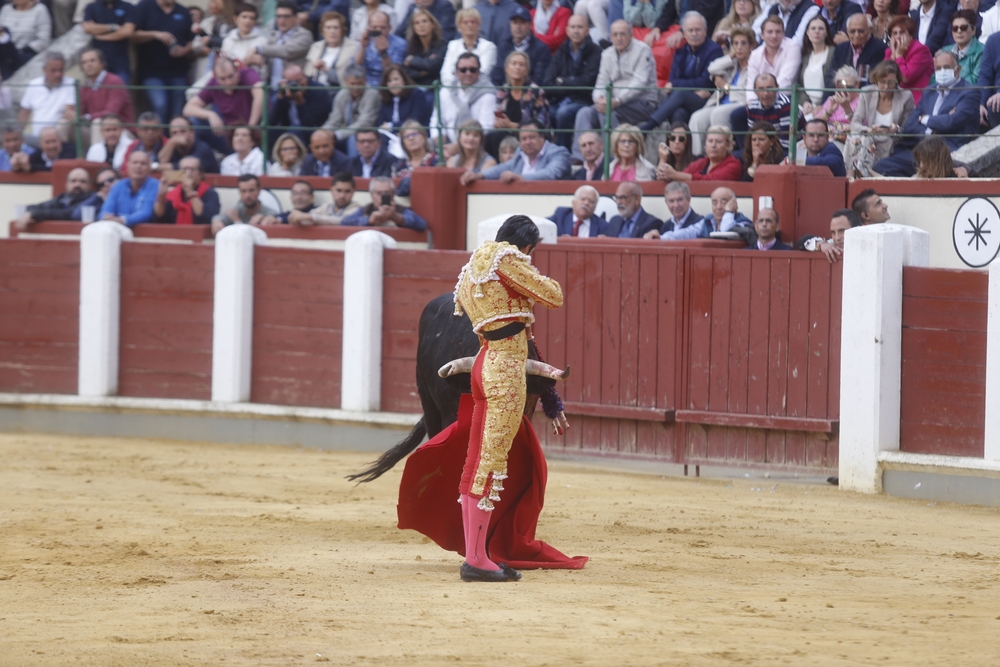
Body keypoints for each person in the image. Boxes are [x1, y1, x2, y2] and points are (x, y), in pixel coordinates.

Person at [440, 214, 565, 582]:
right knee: (490, 462)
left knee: (476, 461)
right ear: (526, 246)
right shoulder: (508, 260)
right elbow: (554, 295)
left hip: (481, 364)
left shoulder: (470, 269)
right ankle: (476, 560)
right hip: (505, 369)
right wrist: (528, 274)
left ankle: (476, 554)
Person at [875, 50, 978, 176]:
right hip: (920, 148)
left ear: (958, 69)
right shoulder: (929, 91)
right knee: (882, 167)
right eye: (938, 68)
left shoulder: (969, 92)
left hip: (945, 151)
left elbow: (952, 122)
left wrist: (924, 119)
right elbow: (910, 125)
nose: (942, 71)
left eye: (947, 67)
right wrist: (932, 129)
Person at [572, 19, 658, 158]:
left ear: (631, 35)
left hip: (642, 103)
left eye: (623, 34)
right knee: (584, 112)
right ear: (610, 37)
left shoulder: (643, 50)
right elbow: (600, 83)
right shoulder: (607, 54)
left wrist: (616, 101)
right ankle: (580, 158)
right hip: (612, 103)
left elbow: (639, 83)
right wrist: (599, 99)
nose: (619, 38)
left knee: (606, 112)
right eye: (615, 34)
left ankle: (611, 158)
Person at [640, 12, 723, 130]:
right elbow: (673, 79)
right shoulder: (681, 51)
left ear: (705, 31)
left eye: (698, 30)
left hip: (707, 100)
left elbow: (705, 82)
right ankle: (679, 146)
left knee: (679, 93)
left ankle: (648, 126)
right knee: (679, 112)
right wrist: (690, 91)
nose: (694, 34)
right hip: (688, 99)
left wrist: (676, 85)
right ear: (684, 33)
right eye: (690, 30)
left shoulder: (714, 50)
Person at [690, 26, 756, 155]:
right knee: (696, 118)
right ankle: (697, 158)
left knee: (718, 113)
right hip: (720, 103)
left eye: (743, 43)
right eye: (735, 43)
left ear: (751, 46)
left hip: (740, 104)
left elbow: (747, 93)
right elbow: (712, 68)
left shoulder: (755, 64)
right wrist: (731, 56)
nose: (739, 47)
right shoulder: (732, 63)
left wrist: (726, 87)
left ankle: (722, 156)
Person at [847, 59, 915, 177]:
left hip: (892, 140)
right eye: (882, 82)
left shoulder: (906, 96)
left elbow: (907, 129)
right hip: (869, 138)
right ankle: (852, 176)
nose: (886, 86)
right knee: (858, 138)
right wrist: (869, 130)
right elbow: (855, 123)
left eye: (891, 82)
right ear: (876, 80)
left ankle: (861, 176)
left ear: (897, 81)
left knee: (864, 141)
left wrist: (896, 129)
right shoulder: (867, 92)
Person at [183, 57, 264, 154]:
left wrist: (251, 128)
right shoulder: (213, 84)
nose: (228, 82)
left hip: (257, 133)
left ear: (237, 71)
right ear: (216, 77)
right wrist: (210, 115)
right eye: (222, 79)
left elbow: (260, 93)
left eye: (231, 76)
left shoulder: (247, 74)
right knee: (195, 123)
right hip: (231, 136)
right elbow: (188, 108)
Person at [132, 0, 195, 123]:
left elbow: (192, 40)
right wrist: (155, 35)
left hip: (179, 72)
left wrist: (184, 50)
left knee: (177, 112)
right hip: (151, 72)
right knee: (160, 105)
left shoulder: (183, 11)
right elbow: (132, 35)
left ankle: (176, 140)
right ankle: (161, 140)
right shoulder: (144, 7)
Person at [544, 14, 601, 149]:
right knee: (545, 112)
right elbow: (547, 82)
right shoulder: (561, 51)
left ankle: (561, 151)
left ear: (587, 31)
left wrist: (563, 81)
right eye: (573, 27)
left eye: (580, 27)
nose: (576, 31)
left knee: (563, 113)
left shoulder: (596, 52)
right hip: (560, 100)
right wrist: (571, 84)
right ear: (567, 30)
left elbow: (588, 82)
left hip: (584, 101)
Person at [429, 53, 497, 154]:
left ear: (479, 72)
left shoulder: (488, 93)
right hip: (446, 147)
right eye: (463, 70)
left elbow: (485, 129)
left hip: (477, 149)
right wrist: (441, 143)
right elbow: (436, 120)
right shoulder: (445, 91)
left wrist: (457, 147)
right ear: (456, 71)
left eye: (473, 70)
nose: (468, 73)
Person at [465, 119, 571, 183]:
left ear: (542, 137)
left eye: (532, 137)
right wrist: (479, 175)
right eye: (524, 139)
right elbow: (503, 167)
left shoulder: (559, 153)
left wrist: (520, 177)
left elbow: (550, 174)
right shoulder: (521, 153)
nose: (528, 142)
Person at [243, 1, 314, 92]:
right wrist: (256, 58)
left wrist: (258, 49)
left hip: (294, 89)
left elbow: (286, 51)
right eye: (279, 16)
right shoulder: (273, 35)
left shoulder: (305, 35)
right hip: (271, 88)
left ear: (296, 18)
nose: (282, 20)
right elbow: (267, 56)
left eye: (286, 16)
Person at [489, 51, 550, 155]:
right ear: (506, 69)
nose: (517, 67)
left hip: (530, 137)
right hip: (508, 135)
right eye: (514, 64)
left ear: (526, 71)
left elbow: (541, 125)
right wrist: (500, 123)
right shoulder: (502, 91)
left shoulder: (535, 92)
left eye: (521, 65)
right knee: (491, 138)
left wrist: (510, 125)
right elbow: (500, 117)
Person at [77, 47, 135, 148]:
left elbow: (111, 113)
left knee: (98, 122)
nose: (89, 64)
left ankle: (96, 162)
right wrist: (72, 114)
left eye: (92, 60)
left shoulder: (115, 81)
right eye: (84, 62)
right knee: (64, 124)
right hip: (95, 131)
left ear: (102, 63)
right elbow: (80, 112)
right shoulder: (84, 87)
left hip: (121, 131)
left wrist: (87, 117)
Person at [655, 185, 753, 240]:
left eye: (724, 202)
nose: (718, 207)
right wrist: (661, 237)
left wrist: (728, 212)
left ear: (734, 204)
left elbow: (725, 231)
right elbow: (688, 232)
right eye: (714, 203)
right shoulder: (708, 221)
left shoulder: (743, 222)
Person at [18, 52, 75, 142]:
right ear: (44, 70)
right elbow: (25, 113)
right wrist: (18, 133)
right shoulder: (34, 84)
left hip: (57, 138)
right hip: (37, 138)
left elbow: (69, 112)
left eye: (61, 70)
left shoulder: (71, 84)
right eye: (53, 70)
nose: (58, 74)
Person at [270, 64, 334, 145]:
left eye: (299, 80)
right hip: (289, 129)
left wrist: (299, 101)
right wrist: (281, 98)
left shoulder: (318, 90)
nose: (296, 85)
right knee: (268, 132)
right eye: (292, 82)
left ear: (305, 76)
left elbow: (310, 123)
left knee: (295, 130)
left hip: (315, 131)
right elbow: (272, 121)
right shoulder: (286, 90)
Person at [12, 168, 93, 231]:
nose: (77, 184)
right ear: (66, 184)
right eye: (73, 181)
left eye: (83, 181)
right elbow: (40, 207)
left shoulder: (93, 200)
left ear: (89, 185)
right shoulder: (63, 198)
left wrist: (33, 214)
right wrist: (29, 212)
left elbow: (67, 214)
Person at [490, 5, 552, 86]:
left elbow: (539, 78)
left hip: (530, 92)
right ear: (510, 24)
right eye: (515, 22)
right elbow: (498, 73)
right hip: (505, 91)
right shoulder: (503, 45)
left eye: (522, 22)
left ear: (530, 25)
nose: (518, 27)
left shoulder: (541, 48)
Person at [660, 125, 744, 181]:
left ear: (728, 145)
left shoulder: (734, 165)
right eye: (710, 141)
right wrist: (663, 160)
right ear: (705, 145)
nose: (713, 145)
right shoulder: (700, 162)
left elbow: (709, 181)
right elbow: (682, 175)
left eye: (718, 142)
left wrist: (675, 175)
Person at [152, 155, 221, 225]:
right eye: (184, 170)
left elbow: (205, 217)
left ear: (201, 174)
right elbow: (159, 216)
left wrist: (191, 193)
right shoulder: (172, 194)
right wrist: (161, 196)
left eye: (192, 169)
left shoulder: (210, 194)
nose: (188, 173)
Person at [342, 175, 429, 230]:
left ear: (393, 194)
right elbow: (345, 222)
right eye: (378, 193)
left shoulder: (400, 209)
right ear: (372, 195)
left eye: (386, 193)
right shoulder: (367, 209)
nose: (382, 197)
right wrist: (369, 220)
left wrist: (395, 217)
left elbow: (422, 224)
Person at [324, 64, 381, 146]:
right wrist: (323, 132)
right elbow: (334, 120)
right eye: (353, 84)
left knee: (353, 140)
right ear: (346, 81)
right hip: (345, 133)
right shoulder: (341, 95)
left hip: (367, 135)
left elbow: (364, 123)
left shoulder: (372, 94)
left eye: (360, 83)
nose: (356, 87)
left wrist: (337, 135)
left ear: (365, 80)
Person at [100, 150, 160, 226]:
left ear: (149, 168)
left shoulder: (155, 185)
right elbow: (106, 211)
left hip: (144, 233)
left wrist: (122, 220)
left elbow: (146, 214)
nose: (138, 166)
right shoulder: (119, 185)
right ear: (127, 166)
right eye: (135, 162)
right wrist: (107, 218)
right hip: (115, 229)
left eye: (143, 163)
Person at [82, 0, 137, 83]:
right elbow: (87, 28)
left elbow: (127, 31)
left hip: (120, 63)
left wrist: (100, 36)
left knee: (120, 93)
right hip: (98, 64)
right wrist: (112, 27)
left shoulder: (127, 7)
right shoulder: (92, 7)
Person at [441, 8, 497, 88]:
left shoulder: (489, 47)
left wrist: (457, 74)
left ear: (478, 24)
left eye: (473, 22)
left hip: (480, 92)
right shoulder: (452, 45)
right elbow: (445, 74)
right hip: (454, 91)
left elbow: (482, 74)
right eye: (465, 22)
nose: (469, 25)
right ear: (459, 25)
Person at [885, 15, 934, 103]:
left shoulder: (920, 50)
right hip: (893, 100)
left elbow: (905, 78)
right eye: (895, 33)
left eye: (902, 32)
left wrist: (899, 56)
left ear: (910, 35)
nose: (898, 36)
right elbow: (884, 77)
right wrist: (893, 55)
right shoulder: (889, 51)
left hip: (914, 101)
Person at [305, 11, 360, 87]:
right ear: (322, 31)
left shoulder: (354, 47)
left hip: (340, 92)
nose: (332, 31)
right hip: (316, 92)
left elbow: (350, 79)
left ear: (342, 30)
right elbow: (307, 75)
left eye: (336, 27)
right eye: (328, 27)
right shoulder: (315, 47)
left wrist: (327, 70)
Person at [745, 73, 799, 151]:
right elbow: (752, 137)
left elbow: (786, 143)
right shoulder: (752, 106)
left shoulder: (786, 105)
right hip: (763, 146)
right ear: (754, 90)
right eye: (761, 89)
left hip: (786, 149)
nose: (765, 93)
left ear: (777, 87)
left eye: (770, 88)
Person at [211, 174, 279, 234]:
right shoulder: (237, 210)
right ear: (239, 192)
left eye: (251, 190)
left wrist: (237, 221)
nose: (247, 195)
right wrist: (217, 221)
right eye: (243, 191)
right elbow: (219, 217)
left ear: (259, 191)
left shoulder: (270, 214)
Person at [0, 0, 52, 79]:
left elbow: (43, 41)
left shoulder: (40, 10)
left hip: (26, 53)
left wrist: (23, 51)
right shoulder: (5, 9)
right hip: (5, 52)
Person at [830, 12, 886, 85]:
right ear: (847, 30)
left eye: (861, 31)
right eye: (852, 31)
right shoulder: (840, 48)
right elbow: (830, 76)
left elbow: (873, 80)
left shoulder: (880, 48)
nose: (856, 35)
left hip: (866, 94)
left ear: (870, 30)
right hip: (840, 93)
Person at [356, 9, 407, 86]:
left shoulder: (400, 44)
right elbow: (356, 66)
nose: (379, 30)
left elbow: (393, 73)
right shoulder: (366, 40)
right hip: (366, 84)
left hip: (388, 85)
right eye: (374, 27)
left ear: (389, 28)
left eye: (382, 27)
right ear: (369, 27)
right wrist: (363, 47)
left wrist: (383, 53)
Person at [814, 64, 862, 145]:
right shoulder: (832, 100)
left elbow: (859, 128)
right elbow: (814, 125)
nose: (843, 90)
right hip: (823, 139)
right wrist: (828, 112)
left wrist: (846, 107)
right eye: (840, 86)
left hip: (846, 142)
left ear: (856, 85)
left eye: (847, 86)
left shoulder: (862, 100)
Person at [377, 63, 433, 132]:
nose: (393, 83)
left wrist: (391, 126)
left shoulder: (416, 95)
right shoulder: (384, 100)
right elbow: (381, 124)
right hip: (389, 138)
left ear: (403, 80)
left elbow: (415, 121)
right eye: (389, 81)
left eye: (396, 79)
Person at [799, 15, 836, 115]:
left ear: (826, 33)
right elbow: (800, 85)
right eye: (813, 28)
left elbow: (834, 85)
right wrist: (805, 102)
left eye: (821, 28)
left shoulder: (833, 53)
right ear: (807, 32)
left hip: (826, 106)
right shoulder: (805, 55)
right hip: (806, 107)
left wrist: (822, 105)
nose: (817, 31)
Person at [798, 207, 863, 262]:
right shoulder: (830, 244)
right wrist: (821, 244)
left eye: (842, 231)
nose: (837, 238)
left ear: (857, 229)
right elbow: (802, 242)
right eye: (833, 232)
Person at [403, 7, 447, 85]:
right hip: (416, 87)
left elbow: (433, 66)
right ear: (414, 28)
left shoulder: (442, 45)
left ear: (432, 24)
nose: (421, 25)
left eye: (424, 21)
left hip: (435, 87)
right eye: (417, 23)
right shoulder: (411, 46)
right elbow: (406, 72)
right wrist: (422, 72)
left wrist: (412, 60)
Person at [219, 2, 267, 71]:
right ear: (236, 19)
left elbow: (264, 68)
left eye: (252, 18)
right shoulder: (228, 40)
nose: (248, 21)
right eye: (244, 17)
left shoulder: (262, 41)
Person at [940, 9, 983, 84]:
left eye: (963, 27)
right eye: (955, 28)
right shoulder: (945, 51)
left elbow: (974, 81)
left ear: (973, 30)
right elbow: (934, 79)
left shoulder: (982, 52)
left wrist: (949, 79)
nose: (959, 31)